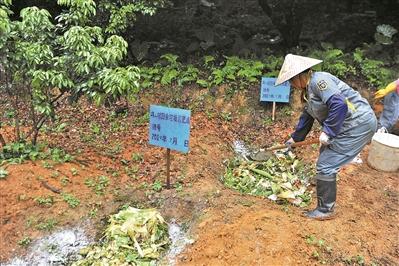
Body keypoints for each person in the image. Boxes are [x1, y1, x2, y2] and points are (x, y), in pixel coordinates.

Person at [275, 54, 377, 220]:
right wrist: (295, 139)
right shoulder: (307, 91)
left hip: (358, 124)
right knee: (325, 151)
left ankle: (325, 210)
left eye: (291, 81)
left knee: (327, 164)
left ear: (300, 76)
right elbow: (307, 117)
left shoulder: (319, 81)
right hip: (346, 125)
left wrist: (328, 131)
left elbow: (339, 104)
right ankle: (323, 181)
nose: (291, 85)